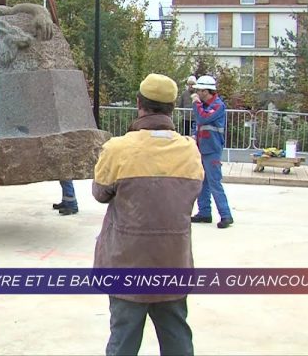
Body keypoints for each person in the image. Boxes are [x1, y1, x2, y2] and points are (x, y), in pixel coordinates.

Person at [93, 73, 204, 356]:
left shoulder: (118, 149)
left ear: (139, 103)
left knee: (123, 340)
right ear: (172, 109)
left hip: (126, 264)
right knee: (177, 338)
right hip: (173, 264)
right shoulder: (190, 151)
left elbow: (100, 193)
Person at [189, 75, 234, 229]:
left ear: (206, 91)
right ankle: (204, 213)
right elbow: (200, 124)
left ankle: (226, 215)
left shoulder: (217, 105)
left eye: (199, 90)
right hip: (202, 148)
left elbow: (203, 119)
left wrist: (196, 103)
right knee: (202, 183)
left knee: (214, 183)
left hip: (212, 150)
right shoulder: (205, 105)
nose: (197, 93)